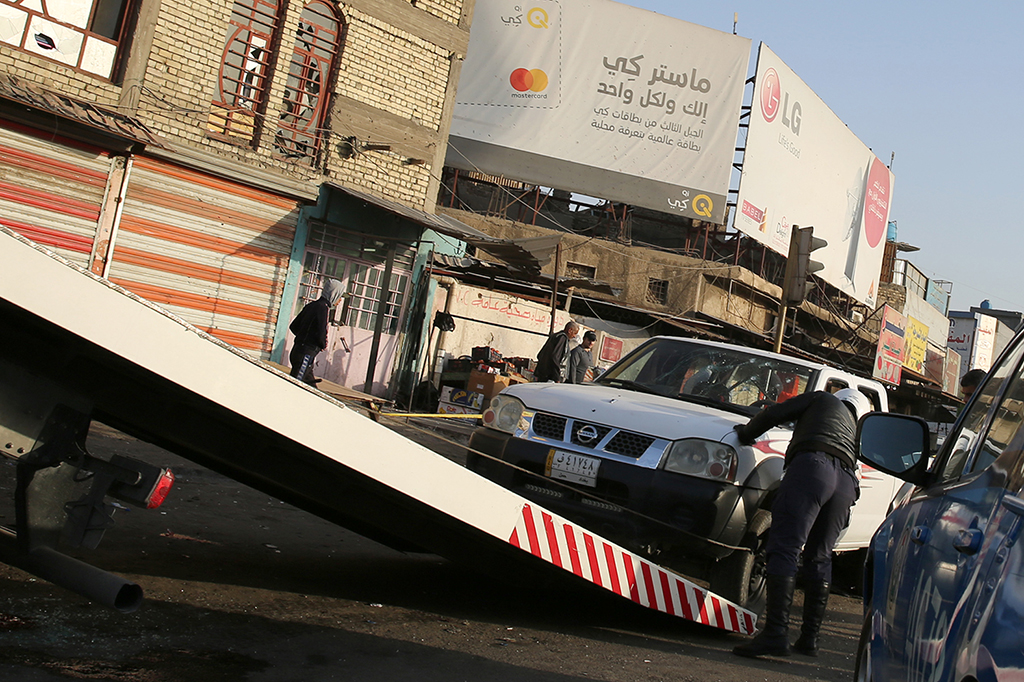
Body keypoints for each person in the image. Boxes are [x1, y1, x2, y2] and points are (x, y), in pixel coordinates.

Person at [730, 387, 873, 659]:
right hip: (845, 483)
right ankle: (809, 639)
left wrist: (746, 433)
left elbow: (776, 413)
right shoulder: (854, 430)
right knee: (820, 556)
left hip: (813, 467)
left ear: (841, 398)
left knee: (785, 547)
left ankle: (775, 633)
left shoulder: (822, 399)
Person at [288, 279, 345, 385]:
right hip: (306, 354)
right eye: (340, 296)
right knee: (295, 384)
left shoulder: (312, 305)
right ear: (334, 294)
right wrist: (322, 344)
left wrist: (303, 337)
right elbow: (321, 330)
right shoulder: (323, 308)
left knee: (310, 385)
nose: (340, 300)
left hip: (298, 350)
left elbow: (294, 326)